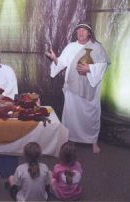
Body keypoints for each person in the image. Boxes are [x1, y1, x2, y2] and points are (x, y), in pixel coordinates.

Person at [45, 22, 109, 153]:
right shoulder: (71, 46)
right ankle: (71, 138)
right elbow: (61, 63)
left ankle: (93, 142)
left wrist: (89, 68)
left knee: (91, 115)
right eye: (79, 30)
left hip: (90, 89)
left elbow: (103, 65)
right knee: (71, 115)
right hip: (72, 87)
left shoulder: (97, 47)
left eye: (84, 30)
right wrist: (54, 58)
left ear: (89, 33)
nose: (80, 32)